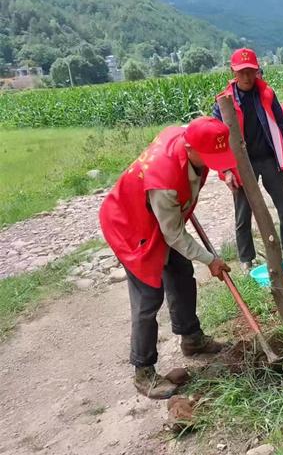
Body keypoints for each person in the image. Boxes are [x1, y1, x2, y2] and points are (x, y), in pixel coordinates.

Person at [98, 116, 237, 400]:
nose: (214, 161)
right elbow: (174, 235)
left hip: (159, 217)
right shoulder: (164, 178)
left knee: (182, 274)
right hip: (130, 226)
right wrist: (210, 259)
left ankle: (192, 339)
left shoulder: (188, 139)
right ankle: (143, 372)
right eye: (210, 156)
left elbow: (172, 227)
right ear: (190, 149)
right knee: (148, 297)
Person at [212, 48, 283, 272]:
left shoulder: (267, 95)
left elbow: (281, 127)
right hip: (242, 165)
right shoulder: (224, 102)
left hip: (269, 159)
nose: (247, 77)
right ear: (233, 72)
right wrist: (226, 171)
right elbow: (217, 141)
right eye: (242, 72)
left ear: (257, 71)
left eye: (251, 71)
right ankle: (246, 258)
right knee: (243, 214)